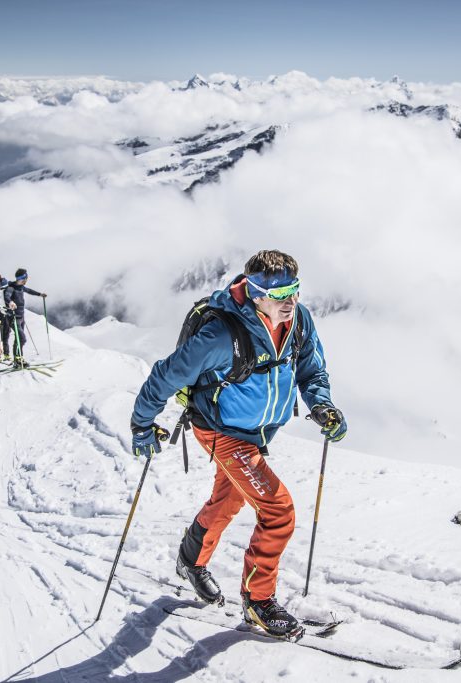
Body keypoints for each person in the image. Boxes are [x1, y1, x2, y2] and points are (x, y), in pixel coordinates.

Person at [129, 249, 347, 640]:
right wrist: (142, 425)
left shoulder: (299, 320)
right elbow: (165, 375)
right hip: (221, 431)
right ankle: (258, 602)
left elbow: (312, 370)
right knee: (278, 510)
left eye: (295, 290)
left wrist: (322, 404)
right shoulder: (221, 335)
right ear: (254, 291)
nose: (290, 301)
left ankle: (190, 560)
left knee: (229, 499)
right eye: (280, 294)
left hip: (255, 432)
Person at [2, 268, 47, 369]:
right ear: (23, 278)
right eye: (26, 277)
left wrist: (40, 294)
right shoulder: (11, 287)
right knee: (21, 338)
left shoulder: (21, 287)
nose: (27, 279)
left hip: (21, 317)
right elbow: (7, 296)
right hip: (13, 318)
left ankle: (19, 359)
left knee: (19, 340)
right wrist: (10, 302)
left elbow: (29, 291)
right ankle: (17, 360)